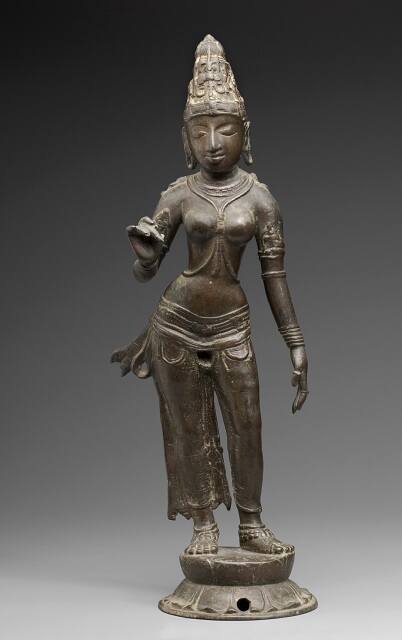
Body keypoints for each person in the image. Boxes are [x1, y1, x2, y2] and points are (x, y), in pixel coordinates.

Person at [112, 34, 308, 556]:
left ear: (245, 132)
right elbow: (145, 270)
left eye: (225, 129)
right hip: (176, 323)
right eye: (200, 132)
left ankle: (251, 523)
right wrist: (146, 256)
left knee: (248, 425)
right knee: (189, 427)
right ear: (186, 139)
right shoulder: (179, 195)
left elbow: (274, 277)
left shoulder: (261, 201)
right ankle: (203, 524)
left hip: (232, 325)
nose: (213, 143)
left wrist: (294, 341)